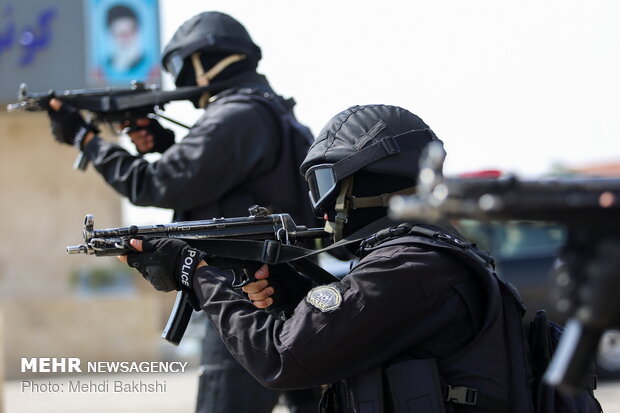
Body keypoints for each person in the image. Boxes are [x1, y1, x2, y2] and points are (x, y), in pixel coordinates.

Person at [119, 104, 535, 412]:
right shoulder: (429, 256)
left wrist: (197, 273)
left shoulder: (408, 266)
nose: (321, 208)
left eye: (326, 183)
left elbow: (282, 359)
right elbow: (357, 326)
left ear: (373, 177)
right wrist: (292, 291)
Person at [47, 11, 321, 413]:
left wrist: (85, 138)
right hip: (282, 294)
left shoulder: (237, 114)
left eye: (180, 66)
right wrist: (164, 143)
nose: (180, 80)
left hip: (244, 297)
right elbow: (227, 178)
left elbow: (151, 184)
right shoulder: (272, 111)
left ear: (203, 61)